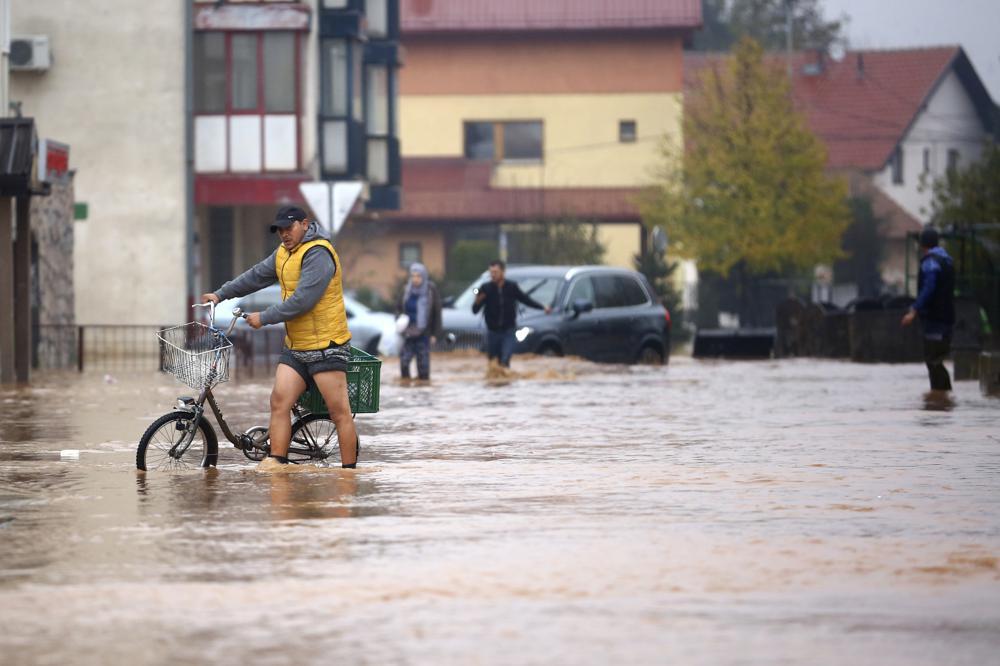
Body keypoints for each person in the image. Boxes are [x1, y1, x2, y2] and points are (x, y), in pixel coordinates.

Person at [201, 205, 359, 470]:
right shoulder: (284, 253)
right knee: (279, 402)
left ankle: (349, 475)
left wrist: (265, 317)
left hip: (326, 347)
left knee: (339, 412)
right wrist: (220, 294)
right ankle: (278, 466)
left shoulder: (318, 253)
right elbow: (256, 276)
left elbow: (303, 301)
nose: (284, 234)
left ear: (305, 224)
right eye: (280, 230)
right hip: (296, 346)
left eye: (289, 227)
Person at [901, 226, 955, 392]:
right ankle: (943, 400)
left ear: (923, 245)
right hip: (947, 317)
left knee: (933, 360)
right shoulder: (947, 260)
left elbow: (929, 288)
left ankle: (941, 399)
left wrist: (914, 310)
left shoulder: (930, 263)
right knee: (936, 359)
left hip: (935, 320)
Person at [472, 259, 552, 368]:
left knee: (505, 359)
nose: (493, 275)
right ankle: (494, 383)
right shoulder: (485, 288)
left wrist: (542, 307)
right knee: (493, 362)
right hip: (492, 332)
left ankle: (506, 382)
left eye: (495, 272)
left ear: (503, 272)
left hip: (508, 331)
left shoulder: (511, 287)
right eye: (491, 273)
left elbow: (525, 299)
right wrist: (477, 301)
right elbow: (475, 310)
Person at [397, 263, 443, 381]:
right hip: (408, 333)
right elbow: (398, 308)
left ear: (423, 277)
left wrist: (435, 334)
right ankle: (406, 388)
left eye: (418, 276)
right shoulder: (406, 290)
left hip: (424, 333)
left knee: (423, 368)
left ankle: (422, 390)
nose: (415, 279)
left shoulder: (430, 290)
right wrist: (399, 320)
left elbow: (437, 312)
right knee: (404, 362)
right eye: (413, 276)